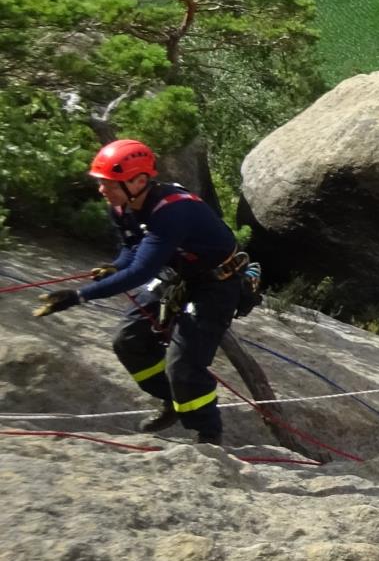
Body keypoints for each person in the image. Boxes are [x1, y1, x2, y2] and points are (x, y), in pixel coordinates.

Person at [33, 138, 255, 446]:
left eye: (108, 183)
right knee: (129, 340)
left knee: (184, 363)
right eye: (101, 182)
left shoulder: (172, 212)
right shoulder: (122, 207)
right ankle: (171, 400)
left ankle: (208, 434)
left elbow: (140, 271)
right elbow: (131, 248)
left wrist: (79, 295)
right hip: (178, 274)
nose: (101, 189)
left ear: (138, 181)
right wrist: (115, 267)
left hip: (215, 284)